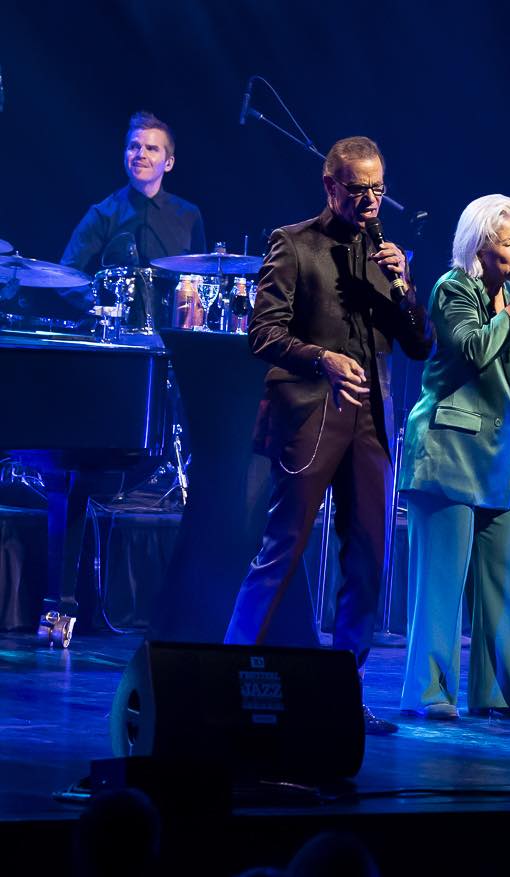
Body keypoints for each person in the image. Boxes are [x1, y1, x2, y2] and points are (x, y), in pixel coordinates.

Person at [224, 136, 433, 735]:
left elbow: (419, 344)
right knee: (283, 548)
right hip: (312, 413)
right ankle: (229, 678)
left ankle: (344, 692)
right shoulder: (294, 243)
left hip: (371, 420)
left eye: (378, 190)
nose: (370, 201)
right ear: (330, 185)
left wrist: (403, 288)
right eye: (357, 189)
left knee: (368, 556)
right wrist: (322, 358)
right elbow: (262, 333)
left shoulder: (386, 256)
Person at [398, 194, 510, 720]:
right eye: (509, 242)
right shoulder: (452, 288)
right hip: (448, 450)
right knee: (440, 583)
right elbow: (473, 350)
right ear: (480, 244)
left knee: (503, 582)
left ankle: (499, 693)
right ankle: (429, 693)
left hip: (498, 452)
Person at [62, 110, 205, 275]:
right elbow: (68, 274)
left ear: (168, 163)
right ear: (125, 156)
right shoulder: (102, 213)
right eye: (134, 147)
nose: (141, 154)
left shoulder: (189, 215)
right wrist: (94, 293)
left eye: (151, 148)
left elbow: (202, 274)